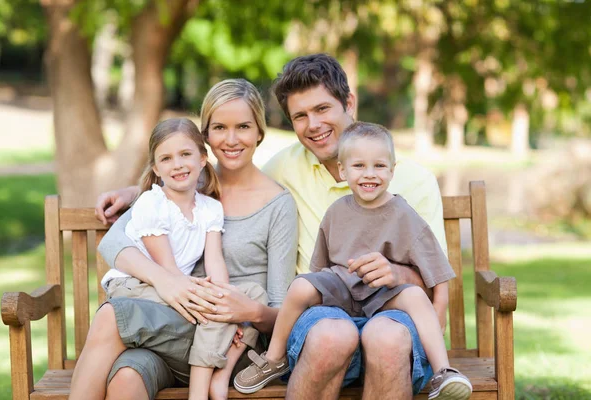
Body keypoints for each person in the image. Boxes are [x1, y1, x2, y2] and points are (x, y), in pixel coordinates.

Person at [96, 53, 449, 399]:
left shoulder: (413, 181)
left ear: (349, 103)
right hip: (307, 318)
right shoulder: (280, 168)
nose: (313, 125)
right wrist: (144, 191)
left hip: (382, 314)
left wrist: (395, 274)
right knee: (330, 335)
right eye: (300, 116)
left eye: (323, 109)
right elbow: (226, 170)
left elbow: (434, 277)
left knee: (385, 340)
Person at [71, 79, 297, 400]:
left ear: (260, 131)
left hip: (229, 343)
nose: (231, 139)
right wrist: (167, 281)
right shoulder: (184, 180)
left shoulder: (278, 204)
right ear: (204, 137)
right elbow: (112, 244)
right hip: (169, 327)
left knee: (111, 317)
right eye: (219, 127)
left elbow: (279, 308)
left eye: (244, 126)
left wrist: (246, 312)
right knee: (126, 379)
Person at [234, 122, 472, 400]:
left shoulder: (403, 214)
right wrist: (317, 290)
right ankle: (273, 358)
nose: (369, 174)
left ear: (393, 170)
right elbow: (320, 269)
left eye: (379, 166)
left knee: (416, 298)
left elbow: (437, 271)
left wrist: (439, 313)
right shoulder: (336, 211)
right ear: (343, 170)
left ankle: (444, 372)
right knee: (300, 285)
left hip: (384, 294)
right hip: (342, 289)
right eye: (359, 166)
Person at [99, 117, 270, 400]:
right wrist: (211, 303)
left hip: (177, 288)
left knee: (253, 296)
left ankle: (220, 378)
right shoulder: (152, 203)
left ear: (203, 159)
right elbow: (166, 269)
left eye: (185, 154)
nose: (177, 164)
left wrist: (227, 300)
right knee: (210, 309)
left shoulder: (210, 208)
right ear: (156, 168)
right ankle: (199, 394)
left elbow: (215, 260)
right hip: (137, 287)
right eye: (166, 158)